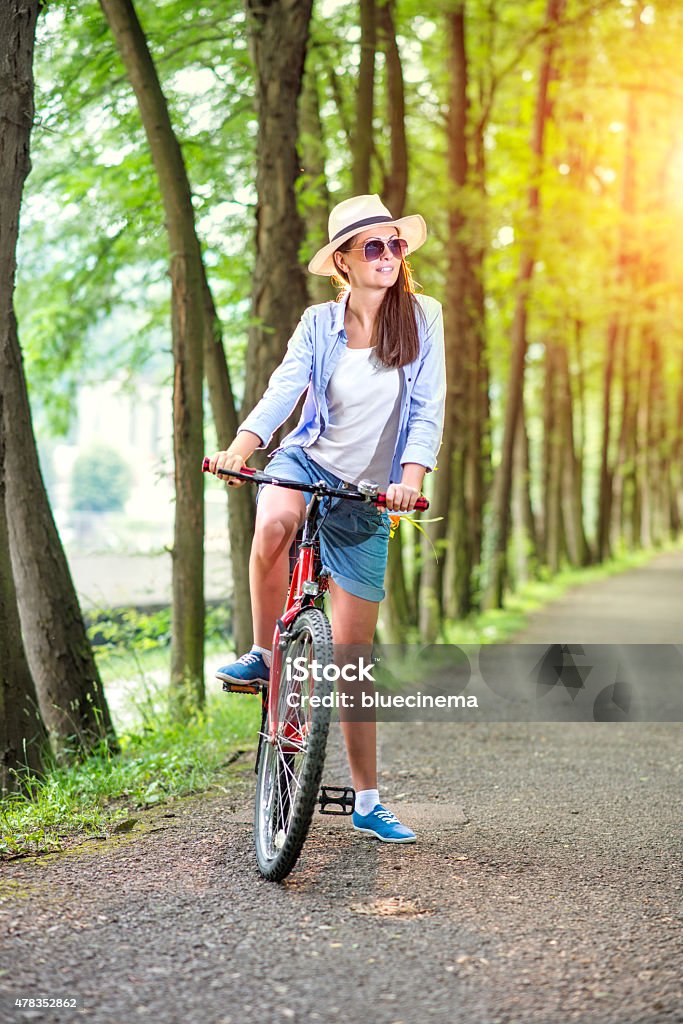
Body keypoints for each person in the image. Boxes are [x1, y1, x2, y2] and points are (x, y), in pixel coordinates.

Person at [207, 194, 446, 843]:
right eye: (373, 246)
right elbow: (285, 387)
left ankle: (366, 800)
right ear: (342, 260)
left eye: (395, 244)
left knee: (351, 661)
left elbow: (426, 410)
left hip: (370, 493)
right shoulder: (319, 323)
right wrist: (241, 447)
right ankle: (263, 651)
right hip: (308, 462)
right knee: (274, 525)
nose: (388, 256)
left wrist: (408, 482)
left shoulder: (423, 319)